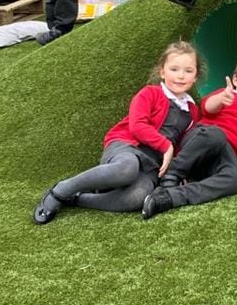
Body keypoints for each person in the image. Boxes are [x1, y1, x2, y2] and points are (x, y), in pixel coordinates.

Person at [32, 41, 200, 224]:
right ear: (162, 71)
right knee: (127, 169)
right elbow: (137, 125)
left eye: (188, 71)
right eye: (174, 69)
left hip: (152, 166)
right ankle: (61, 190)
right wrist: (166, 146)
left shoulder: (192, 110)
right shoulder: (149, 93)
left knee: (138, 196)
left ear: (195, 76)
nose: (181, 76)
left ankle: (77, 199)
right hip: (126, 147)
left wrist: (179, 171)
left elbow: (186, 145)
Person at [142, 54, 237, 219]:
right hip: (202, 142)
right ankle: (171, 176)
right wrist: (222, 99)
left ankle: (169, 198)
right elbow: (207, 108)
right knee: (216, 134)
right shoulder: (227, 95)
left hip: (224, 158)